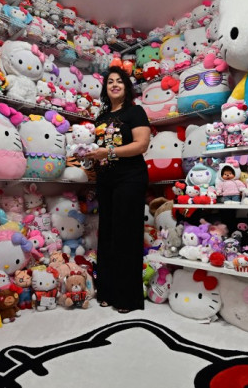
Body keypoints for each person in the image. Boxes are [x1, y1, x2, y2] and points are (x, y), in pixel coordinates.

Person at [86, 66, 150, 313]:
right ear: (105, 88)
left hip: (130, 178)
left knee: (126, 235)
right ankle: (107, 291)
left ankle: (127, 298)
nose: (114, 84)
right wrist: (89, 155)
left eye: (119, 81)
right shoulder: (100, 118)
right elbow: (100, 150)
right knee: (108, 234)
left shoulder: (135, 112)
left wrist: (108, 152)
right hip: (106, 179)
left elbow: (141, 145)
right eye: (110, 81)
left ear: (126, 87)